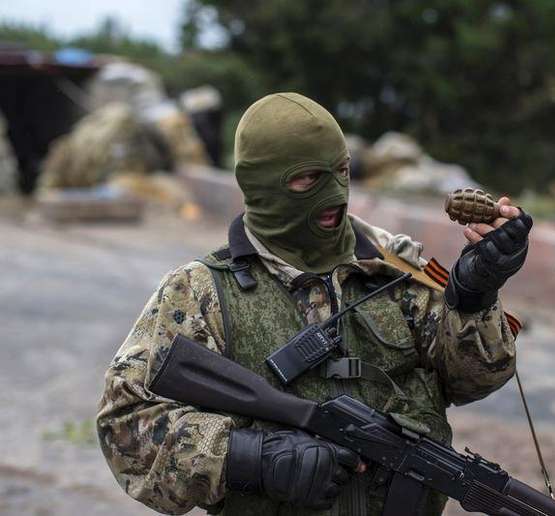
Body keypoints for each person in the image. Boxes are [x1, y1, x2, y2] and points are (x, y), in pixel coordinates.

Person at [97, 92, 532, 515]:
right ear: (261, 183)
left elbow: (472, 381)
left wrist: (473, 295)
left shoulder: (398, 266)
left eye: (341, 171)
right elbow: (125, 425)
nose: (335, 194)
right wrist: (250, 458)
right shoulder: (199, 291)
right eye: (308, 178)